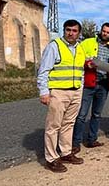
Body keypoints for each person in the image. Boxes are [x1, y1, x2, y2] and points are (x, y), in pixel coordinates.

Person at [37, 19, 87, 173]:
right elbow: (44, 70)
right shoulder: (55, 46)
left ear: (79, 33)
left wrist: (81, 87)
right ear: (64, 30)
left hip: (76, 91)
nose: (71, 33)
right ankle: (51, 158)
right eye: (68, 30)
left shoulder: (80, 48)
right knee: (53, 126)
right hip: (58, 91)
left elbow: (81, 70)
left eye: (74, 30)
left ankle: (65, 152)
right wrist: (44, 91)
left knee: (69, 123)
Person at [71, 22, 109, 153]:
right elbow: (77, 58)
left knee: (97, 114)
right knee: (81, 115)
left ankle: (91, 140)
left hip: (103, 85)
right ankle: (75, 143)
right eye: (103, 31)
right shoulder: (87, 42)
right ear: (101, 30)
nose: (105, 33)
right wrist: (87, 64)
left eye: (108, 32)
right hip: (88, 84)